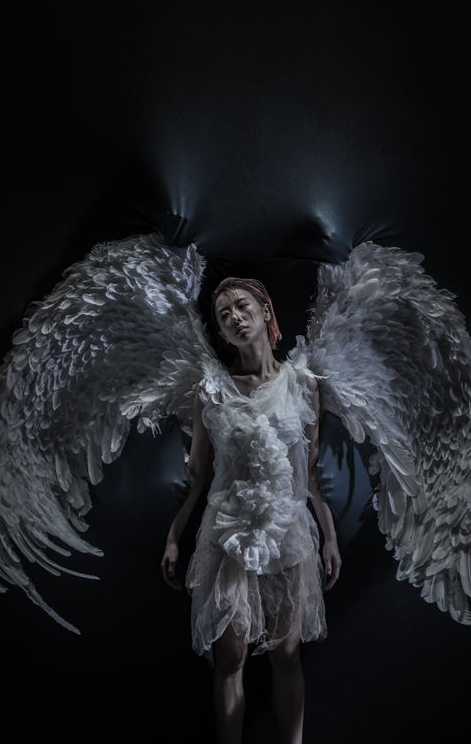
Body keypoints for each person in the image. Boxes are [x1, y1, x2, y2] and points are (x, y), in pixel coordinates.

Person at [161, 277, 342, 744]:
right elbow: (199, 475)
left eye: (242, 307)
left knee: (287, 655)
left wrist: (330, 537)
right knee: (230, 657)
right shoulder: (211, 391)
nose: (234, 318)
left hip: (288, 530)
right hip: (227, 531)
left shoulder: (302, 385)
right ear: (221, 331)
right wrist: (175, 535)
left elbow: (309, 473)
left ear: (265, 310)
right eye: (224, 315)